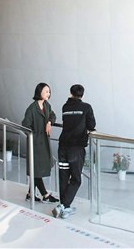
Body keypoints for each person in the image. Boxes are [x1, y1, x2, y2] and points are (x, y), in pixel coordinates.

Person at [52, 84, 96, 219]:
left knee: (64, 177)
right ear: (82, 94)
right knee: (76, 179)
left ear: (71, 93)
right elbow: (91, 125)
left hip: (63, 146)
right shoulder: (86, 107)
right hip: (76, 148)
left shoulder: (65, 107)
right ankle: (63, 206)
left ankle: (65, 207)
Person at [21, 82, 58, 203]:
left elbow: (53, 115)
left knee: (36, 168)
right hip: (35, 144)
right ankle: (45, 195)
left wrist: (49, 122)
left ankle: (30, 194)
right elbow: (25, 125)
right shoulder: (32, 108)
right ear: (39, 92)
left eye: (49, 91)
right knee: (36, 170)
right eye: (46, 91)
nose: (48, 93)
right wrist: (34, 135)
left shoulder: (46, 105)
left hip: (44, 142)